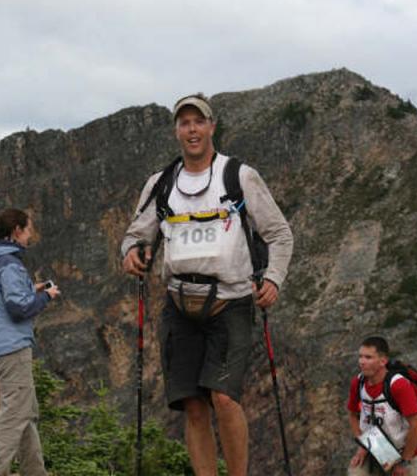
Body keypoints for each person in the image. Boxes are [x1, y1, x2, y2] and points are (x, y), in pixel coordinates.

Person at [121, 93, 293, 476]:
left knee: (224, 398)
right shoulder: (161, 183)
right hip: (179, 305)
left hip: (230, 303)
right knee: (193, 406)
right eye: (185, 123)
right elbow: (136, 234)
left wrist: (274, 278)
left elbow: (279, 233)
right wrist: (131, 252)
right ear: (176, 131)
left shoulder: (239, 176)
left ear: (212, 126)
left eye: (199, 121)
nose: (192, 130)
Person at [0, 208, 60, 476]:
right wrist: (46, 296)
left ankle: (35, 472)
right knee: (15, 412)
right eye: (28, 230)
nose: (30, 235)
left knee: (26, 411)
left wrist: (32, 288)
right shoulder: (9, 263)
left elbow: (5, 294)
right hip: (12, 345)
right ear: (16, 230)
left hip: (0, 342)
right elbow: (18, 308)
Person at [347, 336, 417, 476]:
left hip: (403, 452)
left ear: (383, 361)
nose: (362, 361)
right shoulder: (358, 382)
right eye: (360, 356)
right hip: (374, 447)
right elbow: (352, 415)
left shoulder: (398, 385)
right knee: (355, 472)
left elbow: (416, 425)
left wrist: (404, 461)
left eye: (368, 357)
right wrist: (363, 445)